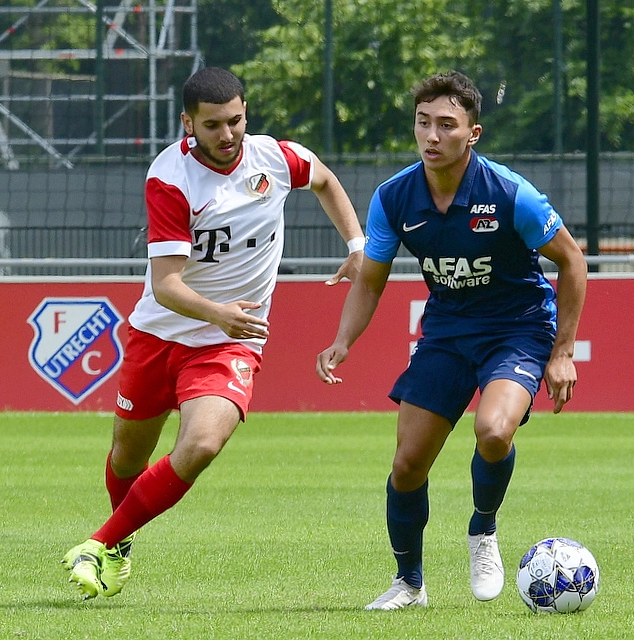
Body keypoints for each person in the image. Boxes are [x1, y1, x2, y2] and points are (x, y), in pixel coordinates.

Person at [61, 66, 365, 600]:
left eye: (236, 120)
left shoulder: (275, 157)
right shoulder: (170, 179)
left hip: (231, 341)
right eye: (213, 125)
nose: (228, 135)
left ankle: (98, 544)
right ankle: (120, 542)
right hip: (160, 334)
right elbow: (166, 285)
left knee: (202, 443)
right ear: (188, 124)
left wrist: (356, 245)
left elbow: (323, 180)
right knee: (126, 458)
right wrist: (217, 312)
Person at [316, 71, 588, 610]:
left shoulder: (510, 194)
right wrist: (343, 339)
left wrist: (562, 352)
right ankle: (409, 584)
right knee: (407, 464)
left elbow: (573, 262)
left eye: (446, 124)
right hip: (445, 332)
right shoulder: (394, 198)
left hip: (517, 329)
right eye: (423, 123)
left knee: (494, 431)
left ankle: (483, 530)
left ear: (473, 133)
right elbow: (370, 280)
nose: (432, 135)